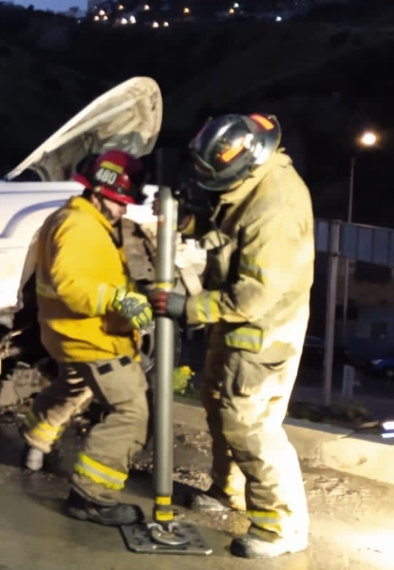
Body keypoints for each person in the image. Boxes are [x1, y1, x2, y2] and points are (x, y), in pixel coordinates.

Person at [147, 113, 314, 559]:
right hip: (238, 325)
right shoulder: (253, 184)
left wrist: (190, 307)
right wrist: (188, 224)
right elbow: (228, 234)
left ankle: (282, 526)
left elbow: (255, 295)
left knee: (251, 424)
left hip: (263, 332)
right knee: (219, 406)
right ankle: (229, 492)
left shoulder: (274, 209)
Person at [20, 149, 155, 526]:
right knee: (131, 412)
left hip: (65, 335)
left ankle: (34, 442)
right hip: (92, 339)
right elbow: (72, 285)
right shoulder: (79, 226)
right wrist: (119, 299)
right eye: (119, 201)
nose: (123, 210)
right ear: (97, 192)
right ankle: (91, 497)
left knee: (72, 387)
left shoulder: (72, 219)